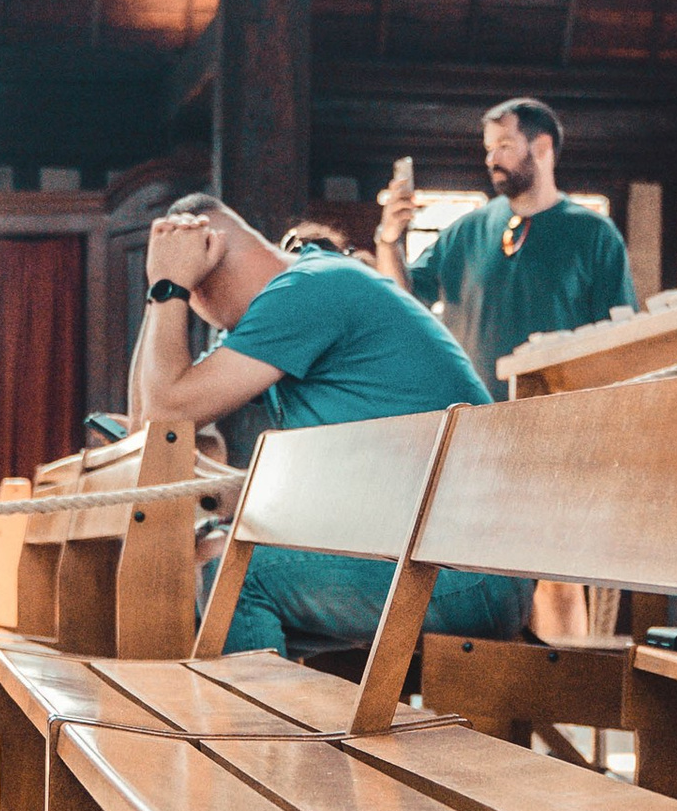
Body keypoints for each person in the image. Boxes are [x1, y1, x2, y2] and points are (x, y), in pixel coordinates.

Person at [130, 195, 530, 655]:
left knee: (239, 577)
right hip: (431, 563)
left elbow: (166, 413)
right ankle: (279, 721)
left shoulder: (309, 290)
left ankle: (257, 729)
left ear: (208, 258)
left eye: (190, 290)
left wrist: (166, 287)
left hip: (468, 576)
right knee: (223, 554)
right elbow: (151, 426)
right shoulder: (288, 301)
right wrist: (159, 289)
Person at [373, 98, 636, 395]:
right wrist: (389, 240)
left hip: (559, 416)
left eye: (505, 146)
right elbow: (400, 301)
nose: (491, 159)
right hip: (471, 412)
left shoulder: (595, 234)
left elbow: (620, 340)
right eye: (489, 149)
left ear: (542, 147)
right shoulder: (466, 230)